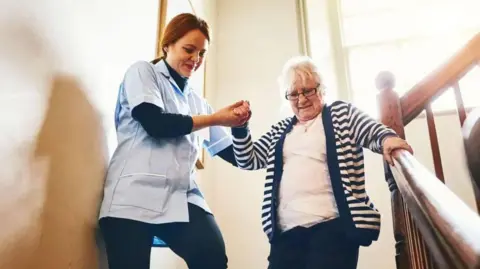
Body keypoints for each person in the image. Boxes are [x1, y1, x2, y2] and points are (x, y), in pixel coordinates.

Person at [230, 56, 413, 269]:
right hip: (287, 232)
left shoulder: (341, 114)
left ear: (321, 89)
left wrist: (387, 139)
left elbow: (371, 130)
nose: (301, 99)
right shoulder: (280, 130)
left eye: (308, 90)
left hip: (333, 227)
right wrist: (240, 128)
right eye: (293, 94)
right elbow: (248, 159)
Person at [98, 13, 248, 269]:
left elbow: (237, 155)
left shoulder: (197, 102)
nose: (196, 59)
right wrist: (215, 118)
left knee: (211, 256)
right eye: (189, 50)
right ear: (167, 44)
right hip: (133, 197)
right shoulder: (143, 72)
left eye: (202, 54)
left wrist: (240, 125)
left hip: (182, 197)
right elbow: (156, 123)